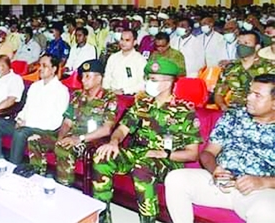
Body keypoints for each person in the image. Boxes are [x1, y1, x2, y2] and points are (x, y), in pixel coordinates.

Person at [93, 57, 202, 223]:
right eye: (148, 79)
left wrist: (162, 153)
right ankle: (103, 217)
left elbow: (192, 154)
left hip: (167, 160)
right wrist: (113, 142)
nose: (148, 83)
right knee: (102, 156)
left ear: (167, 82)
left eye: (153, 80)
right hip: (138, 152)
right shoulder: (142, 103)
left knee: (142, 166)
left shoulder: (184, 110)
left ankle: (147, 220)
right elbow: (122, 129)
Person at [165, 74, 275, 223]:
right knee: (175, 178)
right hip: (221, 183)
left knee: (267, 211)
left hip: (257, 191)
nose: (249, 98)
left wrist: (263, 182)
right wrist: (215, 169)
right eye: (250, 92)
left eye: (257, 96)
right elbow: (208, 153)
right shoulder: (234, 116)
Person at [28, 59, 117, 185]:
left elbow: (106, 129)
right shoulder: (77, 95)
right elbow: (67, 122)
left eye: (88, 76)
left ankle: (64, 186)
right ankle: (37, 180)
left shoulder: (109, 98)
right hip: (70, 137)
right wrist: (60, 137)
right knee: (34, 139)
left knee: (64, 148)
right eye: (82, 76)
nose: (83, 80)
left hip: (90, 141)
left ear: (99, 78)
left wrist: (78, 139)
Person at [0, 54, 69, 164]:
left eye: (45, 66)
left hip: (44, 130)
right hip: (25, 125)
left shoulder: (61, 91)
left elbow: (55, 122)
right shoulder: (35, 86)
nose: (40, 68)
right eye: (40, 65)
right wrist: (19, 119)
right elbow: (26, 107)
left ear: (54, 69)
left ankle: (13, 167)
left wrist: (27, 123)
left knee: (21, 132)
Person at [214, 31, 275, 111]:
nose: (241, 46)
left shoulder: (269, 67)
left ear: (257, 47)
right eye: (239, 43)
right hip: (235, 111)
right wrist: (223, 107)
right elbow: (218, 93)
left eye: (246, 43)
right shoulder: (230, 68)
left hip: (262, 113)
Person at [103, 29, 147, 95]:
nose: (123, 42)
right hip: (111, 95)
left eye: (127, 40)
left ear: (135, 42)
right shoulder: (113, 57)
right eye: (122, 39)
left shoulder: (140, 60)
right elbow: (107, 78)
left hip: (130, 96)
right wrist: (107, 91)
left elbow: (143, 84)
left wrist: (124, 91)